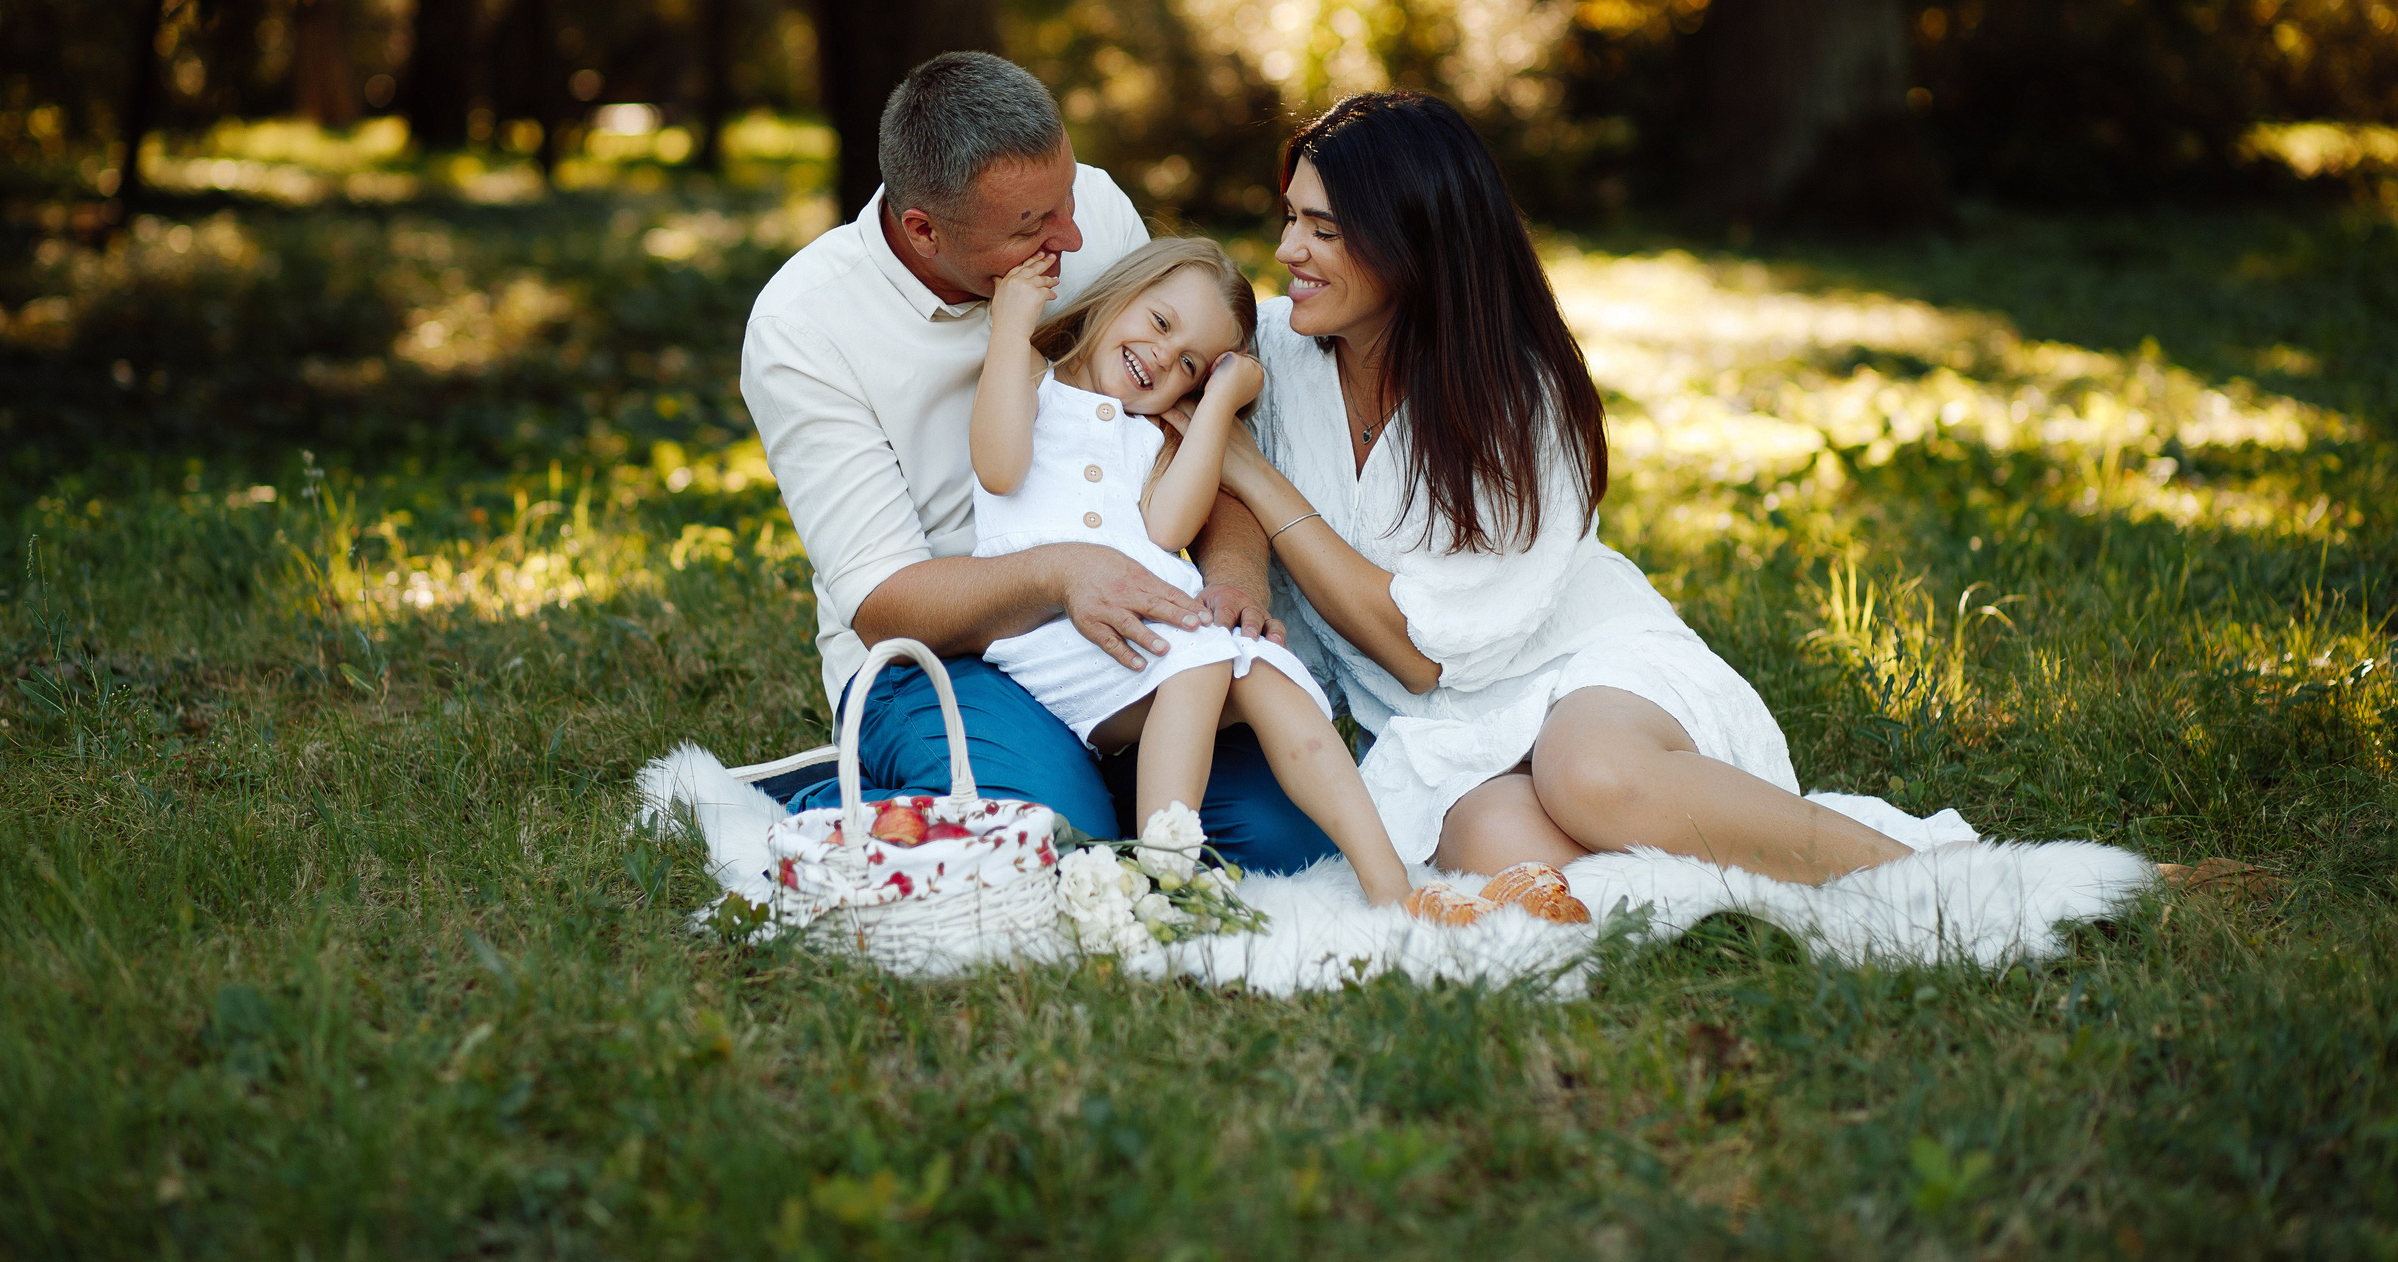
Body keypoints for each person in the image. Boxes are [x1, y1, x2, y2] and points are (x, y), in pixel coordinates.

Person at [1203, 90, 1921, 891]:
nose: (1289, 248)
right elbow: (1200, 449)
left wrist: (1254, 473)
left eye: (1324, 231)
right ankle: (1753, 869)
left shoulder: (1517, 397)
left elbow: (1417, 651)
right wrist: (1236, 565)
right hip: (1443, 735)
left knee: (1590, 775)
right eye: (1291, 217)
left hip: (1583, 670)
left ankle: (1920, 879)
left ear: (1415, 241)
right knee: (1498, 843)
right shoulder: (1273, 347)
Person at [738, 50, 1338, 871]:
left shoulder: (1082, 211)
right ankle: (830, 799)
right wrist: (1062, 573)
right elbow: (884, 603)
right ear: (924, 229)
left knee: (1288, 838)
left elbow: (1198, 432)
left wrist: (1234, 575)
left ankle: (1078, 777)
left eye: (1068, 199)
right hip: (943, 652)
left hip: (1135, 624)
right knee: (1052, 838)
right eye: (1033, 228)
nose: (1075, 236)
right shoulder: (804, 327)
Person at [971, 235, 1480, 917]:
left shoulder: (1150, 432)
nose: (1161, 355)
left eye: (1189, 364)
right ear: (1119, 293)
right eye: (1158, 321)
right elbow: (999, 466)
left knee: (1270, 670)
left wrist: (1214, 407)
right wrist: (1011, 323)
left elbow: (1168, 530)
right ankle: (1163, 877)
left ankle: (1391, 887)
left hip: (1152, 630)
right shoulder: (1033, 374)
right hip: (1053, 628)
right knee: (1203, 659)